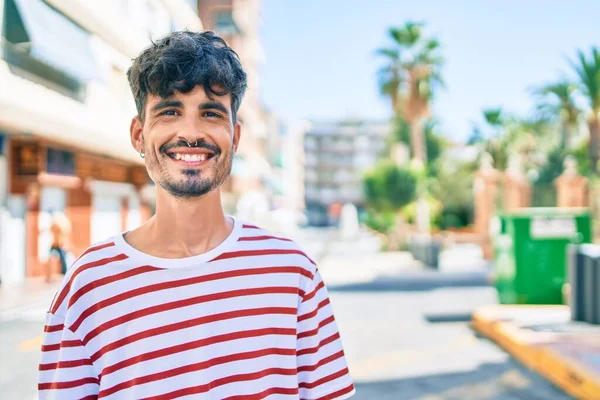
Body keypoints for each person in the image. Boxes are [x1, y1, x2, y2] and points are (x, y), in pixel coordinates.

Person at [38, 31, 355, 399]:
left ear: (234, 138)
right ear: (139, 135)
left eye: (210, 113)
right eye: (170, 111)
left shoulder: (292, 273)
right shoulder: (87, 286)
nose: (190, 133)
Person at [44, 212, 72, 282]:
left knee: (63, 260)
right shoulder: (57, 224)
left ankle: (63, 274)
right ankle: (49, 275)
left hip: (61, 244)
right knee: (52, 259)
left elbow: (65, 232)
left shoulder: (62, 224)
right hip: (56, 244)